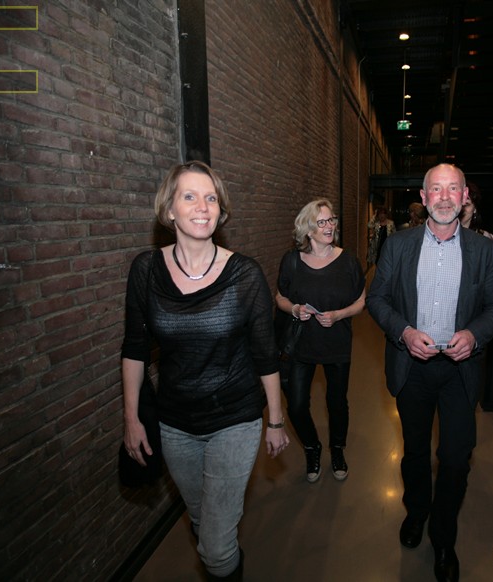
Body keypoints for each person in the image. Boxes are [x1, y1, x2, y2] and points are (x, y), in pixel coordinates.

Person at [120, 160, 289, 581]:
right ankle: (224, 551)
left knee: (213, 548)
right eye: (190, 196)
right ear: (169, 209)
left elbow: (265, 354)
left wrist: (275, 419)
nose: (203, 206)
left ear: (220, 210)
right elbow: (135, 349)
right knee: (202, 522)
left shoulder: (244, 274)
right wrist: (131, 419)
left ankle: (222, 557)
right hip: (175, 424)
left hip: (235, 417)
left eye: (211, 198)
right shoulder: (145, 271)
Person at [366, 164, 493, 582]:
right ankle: (417, 512)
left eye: (453, 189)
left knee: (455, 459)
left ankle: (444, 537)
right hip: (412, 368)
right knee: (414, 452)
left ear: (464, 197)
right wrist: (404, 332)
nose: (444, 197)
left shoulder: (484, 251)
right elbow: (377, 299)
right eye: (436, 189)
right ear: (424, 197)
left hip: (460, 372)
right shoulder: (398, 245)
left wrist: (474, 334)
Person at [275, 199, 365, 482]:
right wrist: (295, 309)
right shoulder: (291, 261)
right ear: (307, 229)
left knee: (337, 402)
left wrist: (339, 315)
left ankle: (337, 450)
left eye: (331, 220)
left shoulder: (348, 262)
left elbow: (361, 301)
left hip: (336, 343)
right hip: (301, 345)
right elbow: (280, 297)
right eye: (321, 222)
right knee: (296, 405)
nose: (329, 226)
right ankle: (311, 447)